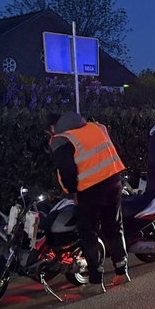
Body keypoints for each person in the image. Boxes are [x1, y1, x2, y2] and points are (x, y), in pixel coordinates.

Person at [48, 112, 129, 290]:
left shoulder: (61, 139)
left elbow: (67, 170)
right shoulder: (97, 127)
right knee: (114, 227)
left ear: (53, 128)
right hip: (114, 181)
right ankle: (122, 272)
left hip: (89, 190)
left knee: (88, 234)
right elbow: (117, 150)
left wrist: (71, 192)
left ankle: (95, 281)